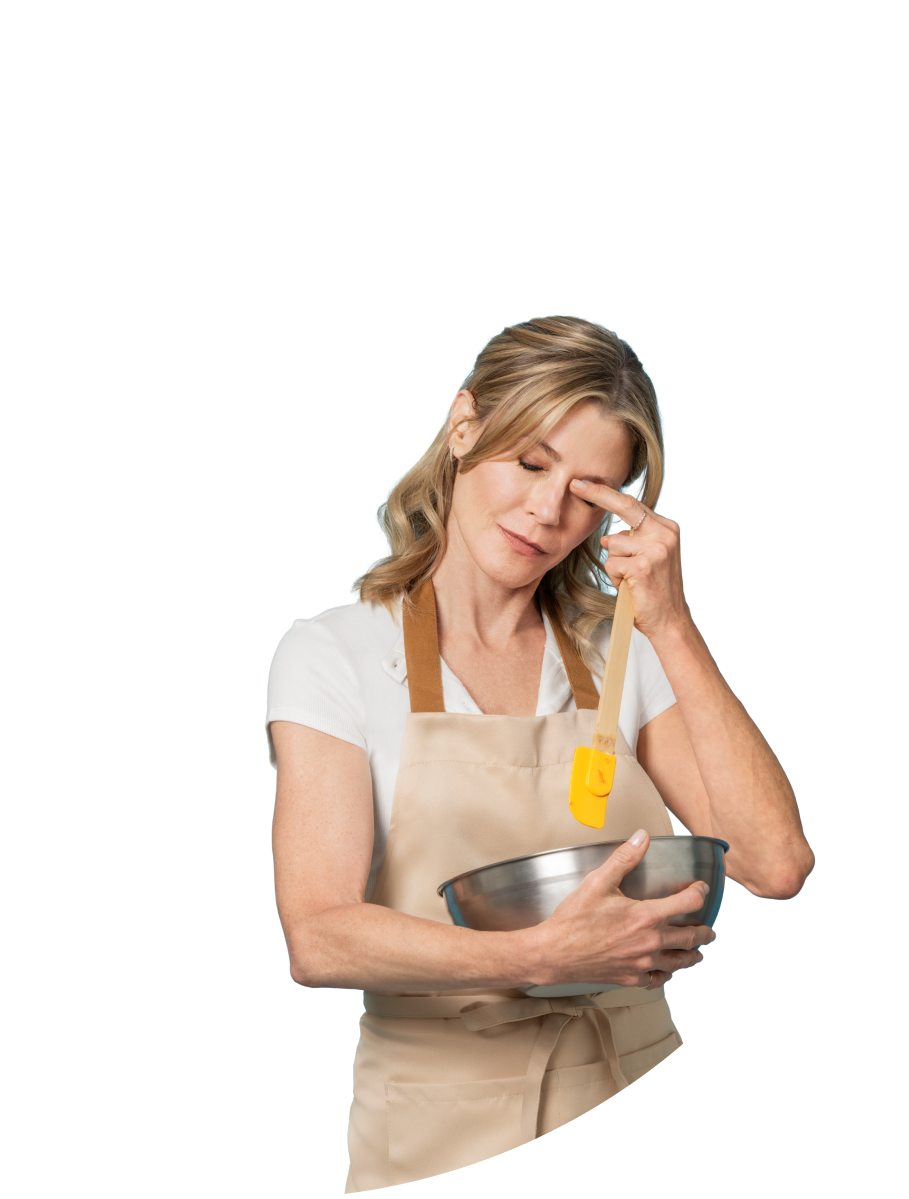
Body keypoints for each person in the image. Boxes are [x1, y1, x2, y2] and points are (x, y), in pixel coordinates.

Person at [266, 316, 814, 1193]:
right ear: (465, 426)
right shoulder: (334, 654)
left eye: (591, 492)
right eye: (532, 463)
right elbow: (320, 937)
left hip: (632, 1071)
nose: (547, 511)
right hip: (437, 1130)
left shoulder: (621, 651)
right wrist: (536, 960)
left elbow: (774, 863)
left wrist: (671, 624)